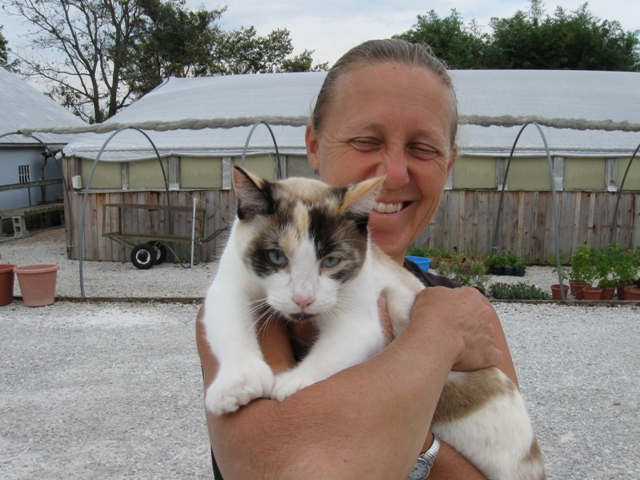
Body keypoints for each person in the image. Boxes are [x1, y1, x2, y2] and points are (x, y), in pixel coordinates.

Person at [196, 38, 519, 479]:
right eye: (366, 140)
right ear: (314, 145)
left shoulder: (470, 309)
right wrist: (437, 338)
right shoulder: (256, 302)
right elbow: (282, 470)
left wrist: (374, 435)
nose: (394, 176)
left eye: (424, 149)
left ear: (451, 162)